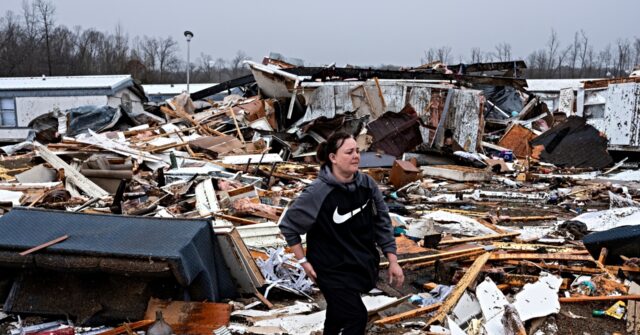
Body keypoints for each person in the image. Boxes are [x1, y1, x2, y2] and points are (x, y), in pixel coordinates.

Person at [279, 132, 404, 335]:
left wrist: (393, 260)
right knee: (357, 316)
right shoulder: (317, 192)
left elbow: (382, 222)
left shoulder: (367, 185)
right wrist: (303, 261)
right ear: (333, 158)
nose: (356, 156)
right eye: (349, 152)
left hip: (358, 265)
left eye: (357, 151)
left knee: (337, 315)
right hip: (329, 268)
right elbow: (288, 226)